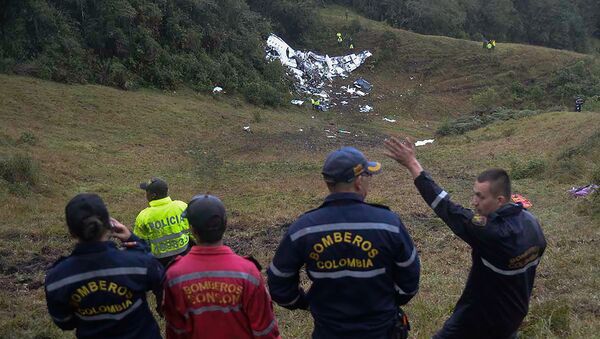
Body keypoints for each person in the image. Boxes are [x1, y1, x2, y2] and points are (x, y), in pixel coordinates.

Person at [384, 137, 547, 339]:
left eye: (480, 197)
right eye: (474, 194)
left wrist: (412, 164)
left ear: (500, 200)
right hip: (513, 317)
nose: (474, 202)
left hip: (476, 319)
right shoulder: (532, 224)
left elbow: (446, 207)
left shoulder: (490, 233)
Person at [268, 146, 420, 339]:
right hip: (381, 331)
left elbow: (279, 283)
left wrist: (306, 302)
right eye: (368, 175)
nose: (369, 181)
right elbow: (410, 280)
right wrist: (389, 301)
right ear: (358, 181)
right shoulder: (388, 224)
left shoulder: (304, 228)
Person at [45, 193, 163, 339]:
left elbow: (65, 322)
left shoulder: (57, 279)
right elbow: (159, 277)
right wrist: (134, 241)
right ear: (109, 224)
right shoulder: (139, 264)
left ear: (71, 232)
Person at [163, 194, 280, 339]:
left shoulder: (174, 275)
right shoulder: (248, 272)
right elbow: (265, 331)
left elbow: (175, 331)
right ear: (225, 224)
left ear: (192, 229)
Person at [135, 177, 191, 267]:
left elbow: (140, 242)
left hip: (160, 261)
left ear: (153, 195)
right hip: (184, 254)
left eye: (147, 192)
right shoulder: (181, 206)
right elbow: (192, 229)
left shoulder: (144, 216)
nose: (146, 194)